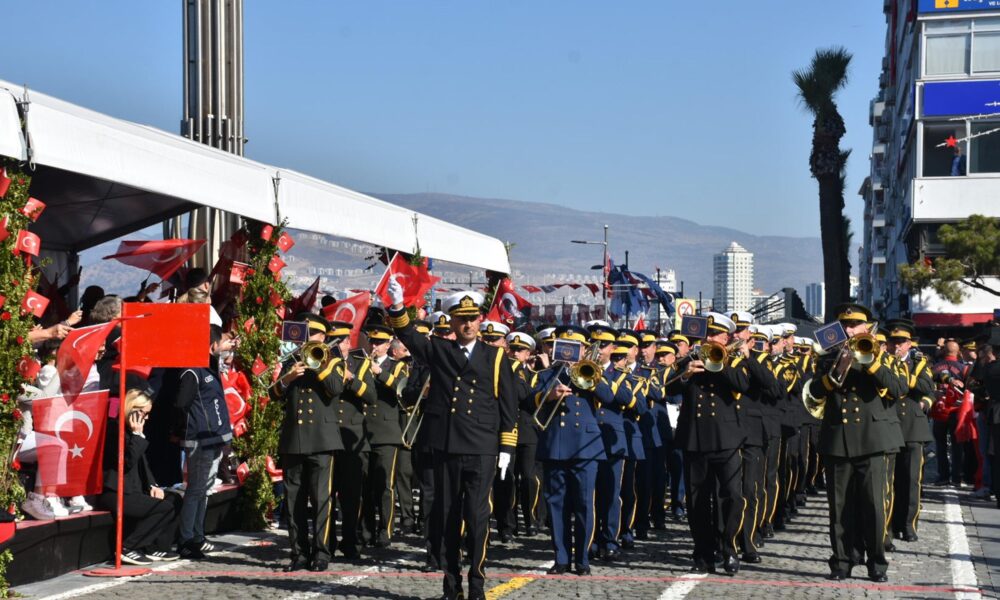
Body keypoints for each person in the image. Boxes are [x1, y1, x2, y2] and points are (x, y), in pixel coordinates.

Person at [386, 283, 518, 600]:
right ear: (453, 322)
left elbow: (508, 405)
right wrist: (398, 305)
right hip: (448, 447)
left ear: (480, 320)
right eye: (462, 319)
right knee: (447, 517)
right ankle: (451, 584)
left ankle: (477, 583)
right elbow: (410, 337)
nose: (468, 324)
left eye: (473, 318)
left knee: (477, 517)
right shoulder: (441, 350)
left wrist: (506, 447)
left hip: (482, 448)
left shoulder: (495, 357)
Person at [806, 303, 908, 583]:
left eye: (855, 325)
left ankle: (877, 563)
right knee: (840, 508)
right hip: (838, 440)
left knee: (874, 506)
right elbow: (814, 391)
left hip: (872, 440)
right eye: (845, 325)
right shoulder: (828, 356)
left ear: (867, 327)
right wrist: (836, 370)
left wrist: (870, 362)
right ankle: (842, 561)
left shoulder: (882, 356)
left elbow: (898, 388)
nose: (850, 330)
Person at [668, 312, 749, 575]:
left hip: (726, 438)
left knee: (731, 496)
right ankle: (703, 553)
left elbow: (743, 385)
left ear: (726, 339)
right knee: (698, 501)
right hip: (695, 438)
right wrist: (685, 374)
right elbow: (667, 389)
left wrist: (720, 364)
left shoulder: (733, 360)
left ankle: (729, 548)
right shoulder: (688, 361)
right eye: (708, 335)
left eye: (717, 336)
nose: (711, 339)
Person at [272, 314, 351, 572]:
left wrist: (317, 364)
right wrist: (288, 378)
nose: (308, 340)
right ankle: (299, 553)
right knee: (294, 500)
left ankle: (321, 552)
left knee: (321, 500)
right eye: (305, 335)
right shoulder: (291, 361)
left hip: (321, 440)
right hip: (294, 439)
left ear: (323, 337)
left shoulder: (334, 360)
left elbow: (336, 388)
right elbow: (273, 394)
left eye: (313, 335)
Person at [532, 325, 609, 575]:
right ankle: (561, 558)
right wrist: (551, 395)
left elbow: (609, 397)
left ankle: (583, 559)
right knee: (557, 504)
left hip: (585, 447)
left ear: (584, 349)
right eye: (565, 348)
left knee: (584, 504)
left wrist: (588, 376)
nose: (569, 353)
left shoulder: (594, 371)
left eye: (575, 348)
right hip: (556, 446)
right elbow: (531, 400)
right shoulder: (548, 374)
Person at [98, 389, 182, 565]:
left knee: (175, 500)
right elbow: (126, 462)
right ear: (133, 409)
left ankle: (155, 546)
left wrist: (152, 485)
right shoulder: (114, 430)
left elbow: (143, 464)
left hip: (134, 489)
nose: (147, 418)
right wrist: (137, 436)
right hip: (116, 492)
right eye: (144, 413)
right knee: (162, 508)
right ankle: (128, 547)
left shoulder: (134, 432)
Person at [173, 325, 233, 559]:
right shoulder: (193, 370)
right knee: (196, 490)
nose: (225, 347)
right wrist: (182, 431)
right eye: (222, 343)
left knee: (205, 490)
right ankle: (186, 539)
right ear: (212, 345)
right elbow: (181, 404)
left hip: (214, 438)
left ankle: (198, 535)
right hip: (199, 439)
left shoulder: (210, 367)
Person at [886, 319, 934, 543]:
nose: (897, 345)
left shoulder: (919, 362)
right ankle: (889, 525)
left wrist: (906, 376)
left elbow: (927, 387)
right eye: (893, 341)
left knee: (911, 480)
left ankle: (908, 525)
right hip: (888, 425)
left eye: (901, 341)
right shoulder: (882, 361)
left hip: (913, 428)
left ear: (909, 344)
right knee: (889, 481)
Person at [362, 322, 406, 548]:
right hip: (363, 432)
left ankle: (385, 529)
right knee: (365, 485)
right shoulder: (361, 363)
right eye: (372, 341)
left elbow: (401, 389)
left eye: (379, 342)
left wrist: (379, 372)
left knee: (385, 486)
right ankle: (366, 529)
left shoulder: (397, 365)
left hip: (386, 433)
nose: (374, 346)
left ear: (389, 344)